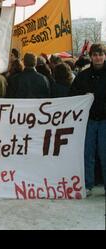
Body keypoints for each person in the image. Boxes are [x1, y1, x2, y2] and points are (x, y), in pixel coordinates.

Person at [69, 44, 106, 197]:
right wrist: (85, 95)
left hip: (105, 120)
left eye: (101, 54)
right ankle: (88, 184)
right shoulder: (83, 76)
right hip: (88, 120)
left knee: (104, 153)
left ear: (104, 55)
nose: (98, 57)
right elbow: (73, 94)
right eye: (95, 55)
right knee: (87, 153)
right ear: (90, 57)